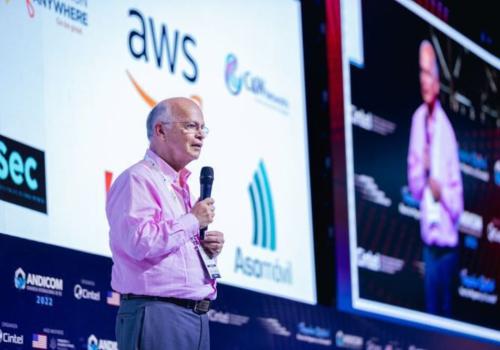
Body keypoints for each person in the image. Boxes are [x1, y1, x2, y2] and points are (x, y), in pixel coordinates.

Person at [106, 97, 225, 349]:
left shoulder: (184, 190)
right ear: (160, 130)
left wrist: (207, 251)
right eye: (191, 126)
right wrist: (193, 220)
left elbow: (174, 250)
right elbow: (140, 243)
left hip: (196, 317)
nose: (201, 135)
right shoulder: (137, 179)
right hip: (157, 314)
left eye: (203, 128)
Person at [407, 40, 463, 317]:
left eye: (429, 73)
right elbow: (415, 188)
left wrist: (442, 194)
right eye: (421, 72)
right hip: (428, 244)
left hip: (448, 248)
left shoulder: (448, 131)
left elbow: (459, 205)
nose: (424, 80)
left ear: (438, 81)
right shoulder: (418, 121)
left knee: (446, 317)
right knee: (430, 317)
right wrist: (423, 170)